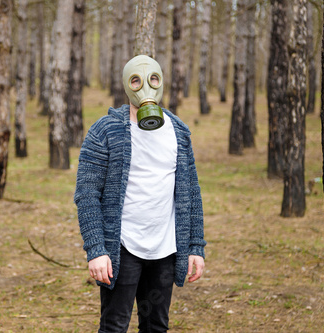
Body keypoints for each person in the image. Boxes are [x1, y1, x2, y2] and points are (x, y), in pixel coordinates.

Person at [74, 55, 206, 333]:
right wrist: (97, 249)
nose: (145, 86)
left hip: (166, 250)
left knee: (156, 325)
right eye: (136, 80)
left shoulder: (179, 132)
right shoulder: (105, 131)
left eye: (153, 79)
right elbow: (87, 194)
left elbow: (191, 192)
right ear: (126, 85)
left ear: (161, 83)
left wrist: (195, 247)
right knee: (114, 325)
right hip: (122, 248)